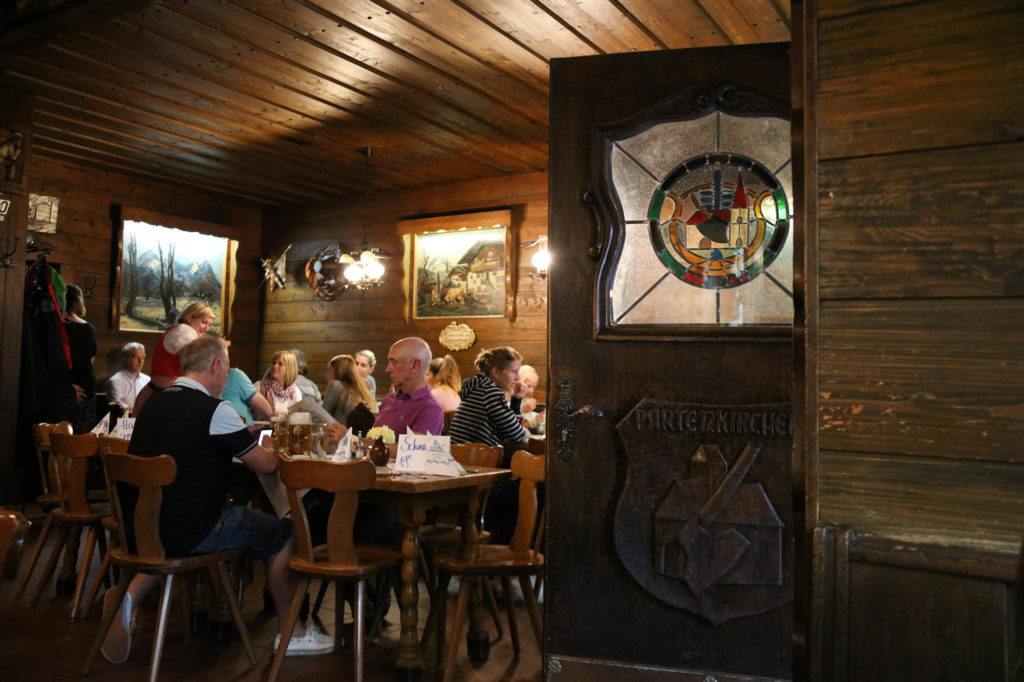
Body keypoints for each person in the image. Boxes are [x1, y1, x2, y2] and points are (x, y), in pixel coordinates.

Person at [101, 336, 332, 664]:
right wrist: (280, 444)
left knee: (175, 518)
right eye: (226, 368)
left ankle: (128, 598)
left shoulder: (152, 401)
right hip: (192, 530)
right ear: (214, 366)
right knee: (284, 532)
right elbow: (266, 465)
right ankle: (293, 632)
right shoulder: (214, 409)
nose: (227, 377)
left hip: (142, 528)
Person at [449, 347, 529, 448]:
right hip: (473, 460)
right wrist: (527, 433)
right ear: (496, 372)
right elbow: (516, 435)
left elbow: (508, 429)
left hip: (460, 457)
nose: (518, 377)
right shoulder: (490, 393)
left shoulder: (479, 388)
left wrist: (516, 398)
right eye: (514, 371)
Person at [372, 338, 444, 436]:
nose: (387, 369)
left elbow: (414, 450)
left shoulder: (430, 409)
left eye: (394, 362)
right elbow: (373, 442)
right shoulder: (389, 399)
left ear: (414, 366)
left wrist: (352, 440)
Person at [64, 284, 97, 433]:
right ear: (78, 301)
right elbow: (91, 360)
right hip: (84, 387)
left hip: (63, 385)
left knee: (60, 435)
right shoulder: (87, 329)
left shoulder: (58, 326)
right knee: (82, 438)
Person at [322, 354, 377, 426]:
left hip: (338, 435)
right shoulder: (361, 389)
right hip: (356, 435)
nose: (327, 375)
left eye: (330, 371)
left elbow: (322, 415)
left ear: (338, 371)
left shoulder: (335, 385)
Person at [107, 342, 150, 414]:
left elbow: (154, 406)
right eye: (136, 357)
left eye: (143, 357)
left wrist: (129, 407)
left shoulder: (148, 380)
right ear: (125, 359)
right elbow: (123, 410)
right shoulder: (115, 381)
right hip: (124, 424)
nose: (140, 361)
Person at [258, 350, 302, 415]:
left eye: (280, 364)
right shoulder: (260, 386)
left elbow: (299, 415)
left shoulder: (295, 391)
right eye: (273, 363)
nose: (275, 366)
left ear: (289, 368)